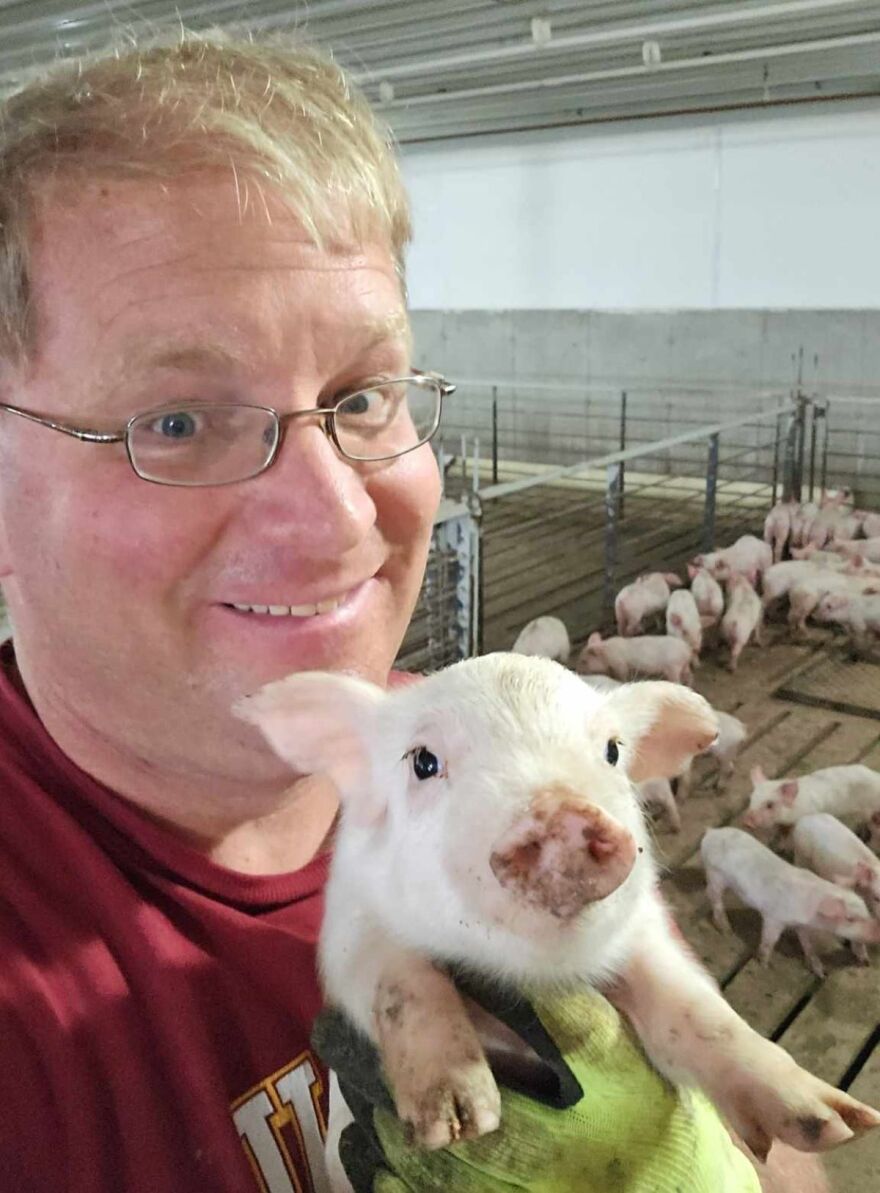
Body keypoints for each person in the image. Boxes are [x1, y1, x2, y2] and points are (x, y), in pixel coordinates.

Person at [0, 28, 828, 1193]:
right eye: (176, 420)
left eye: (363, 395)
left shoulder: (500, 761)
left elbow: (788, 1160)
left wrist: (685, 1160)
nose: (337, 518)